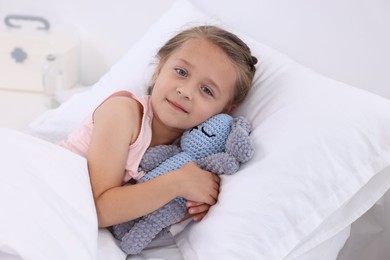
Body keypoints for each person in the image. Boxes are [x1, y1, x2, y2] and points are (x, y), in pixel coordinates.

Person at [59, 25, 257, 229]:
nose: (186, 91)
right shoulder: (123, 113)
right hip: (53, 186)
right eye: (181, 72)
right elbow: (98, 210)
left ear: (226, 111)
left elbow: (137, 215)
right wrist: (177, 184)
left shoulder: (187, 155)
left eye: (207, 90)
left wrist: (188, 204)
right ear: (159, 69)